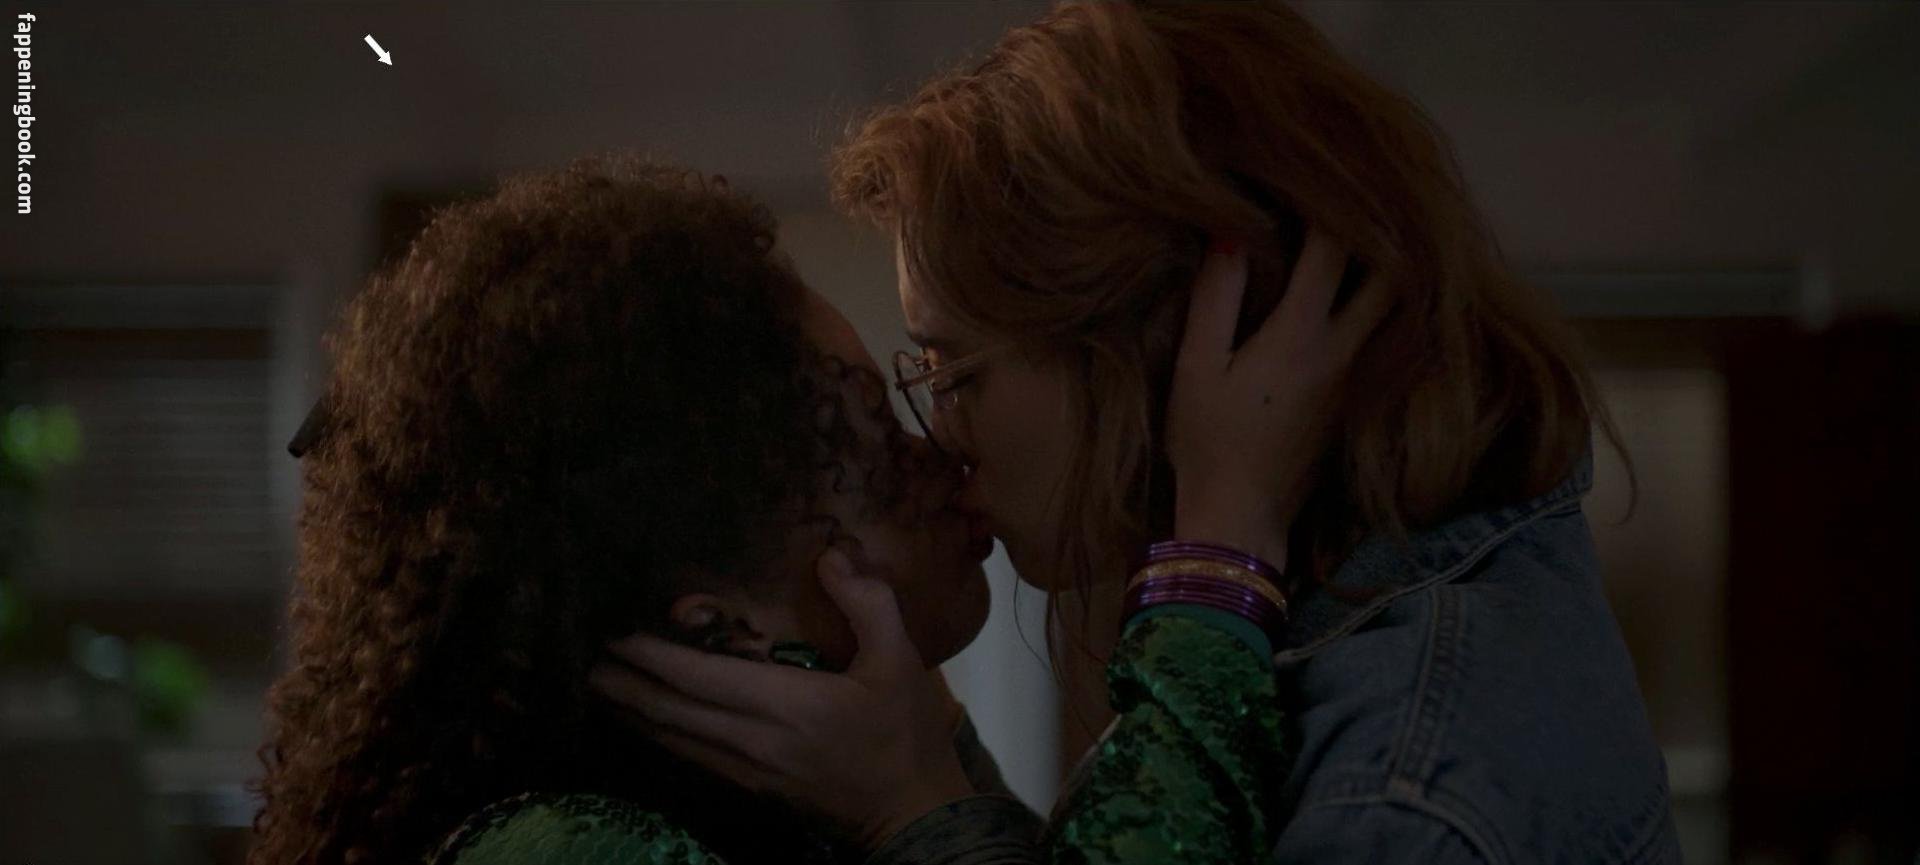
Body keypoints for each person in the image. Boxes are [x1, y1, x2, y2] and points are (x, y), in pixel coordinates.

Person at [597, 2, 1682, 863]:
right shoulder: (1325, 629)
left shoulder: (1394, 802)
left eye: (953, 370)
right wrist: (927, 764)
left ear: (1189, 336)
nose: (941, 437)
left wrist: (913, 804)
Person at [249, 156, 1002, 865]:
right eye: (885, 453)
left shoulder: (796, 803)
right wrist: (916, 805)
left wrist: (927, 765)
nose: (944, 456)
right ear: (721, 630)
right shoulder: (576, 850)